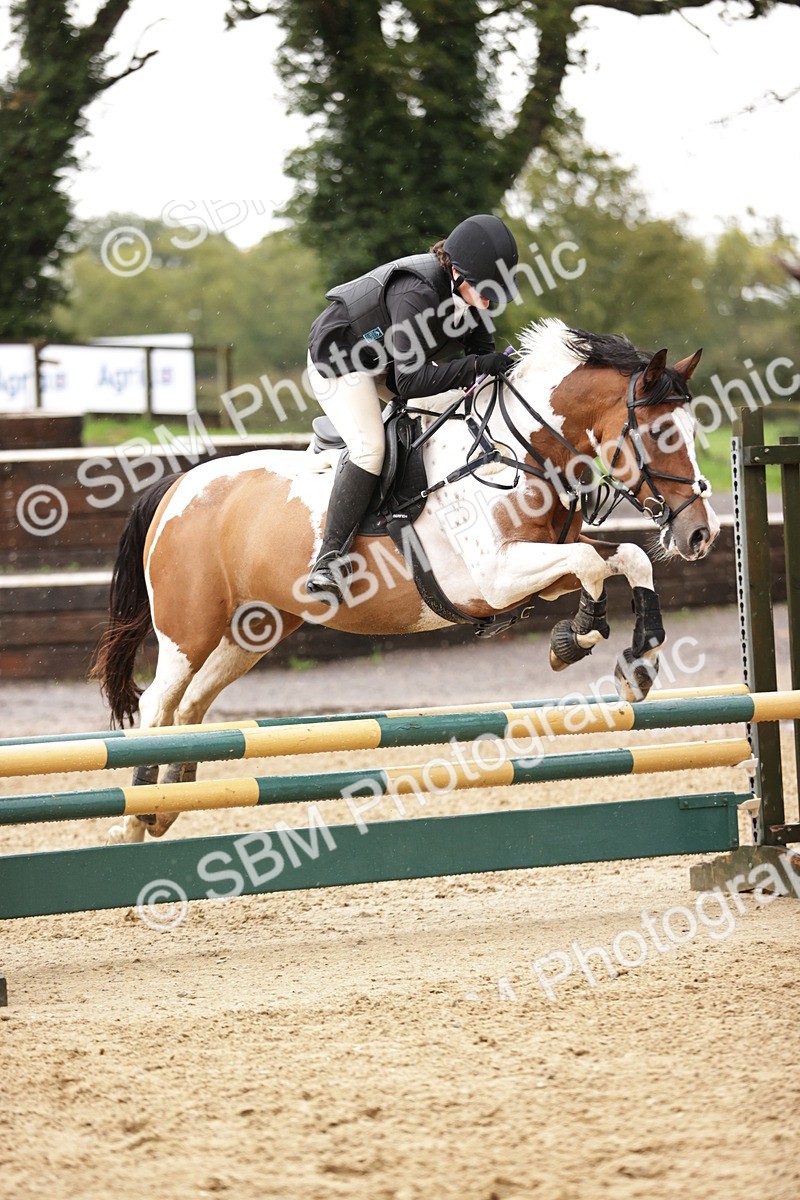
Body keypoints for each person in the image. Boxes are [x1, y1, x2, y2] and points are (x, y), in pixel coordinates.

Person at [305, 213, 519, 600]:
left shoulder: (467, 297)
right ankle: (329, 558)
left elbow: (482, 359)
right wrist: (477, 366)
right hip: (341, 361)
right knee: (371, 449)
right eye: (484, 289)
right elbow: (411, 383)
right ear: (455, 271)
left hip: (387, 362)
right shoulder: (416, 294)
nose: (489, 300)